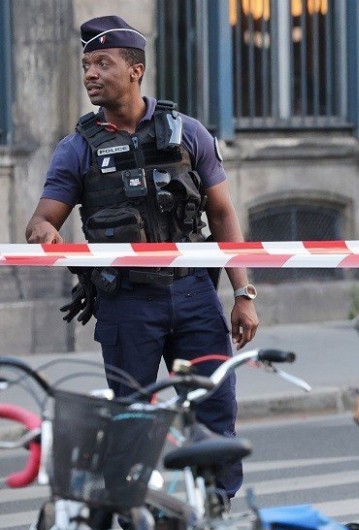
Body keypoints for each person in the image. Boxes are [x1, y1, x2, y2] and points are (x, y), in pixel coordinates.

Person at [24, 15, 258, 497]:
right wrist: (46, 233)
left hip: (194, 293)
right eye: (86, 64)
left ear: (135, 70)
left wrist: (243, 292)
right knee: (131, 418)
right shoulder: (77, 149)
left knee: (215, 409)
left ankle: (215, 516)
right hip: (127, 303)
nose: (90, 73)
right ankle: (138, 528)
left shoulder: (189, 133)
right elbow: (42, 219)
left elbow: (222, 215)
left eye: (102, 63)